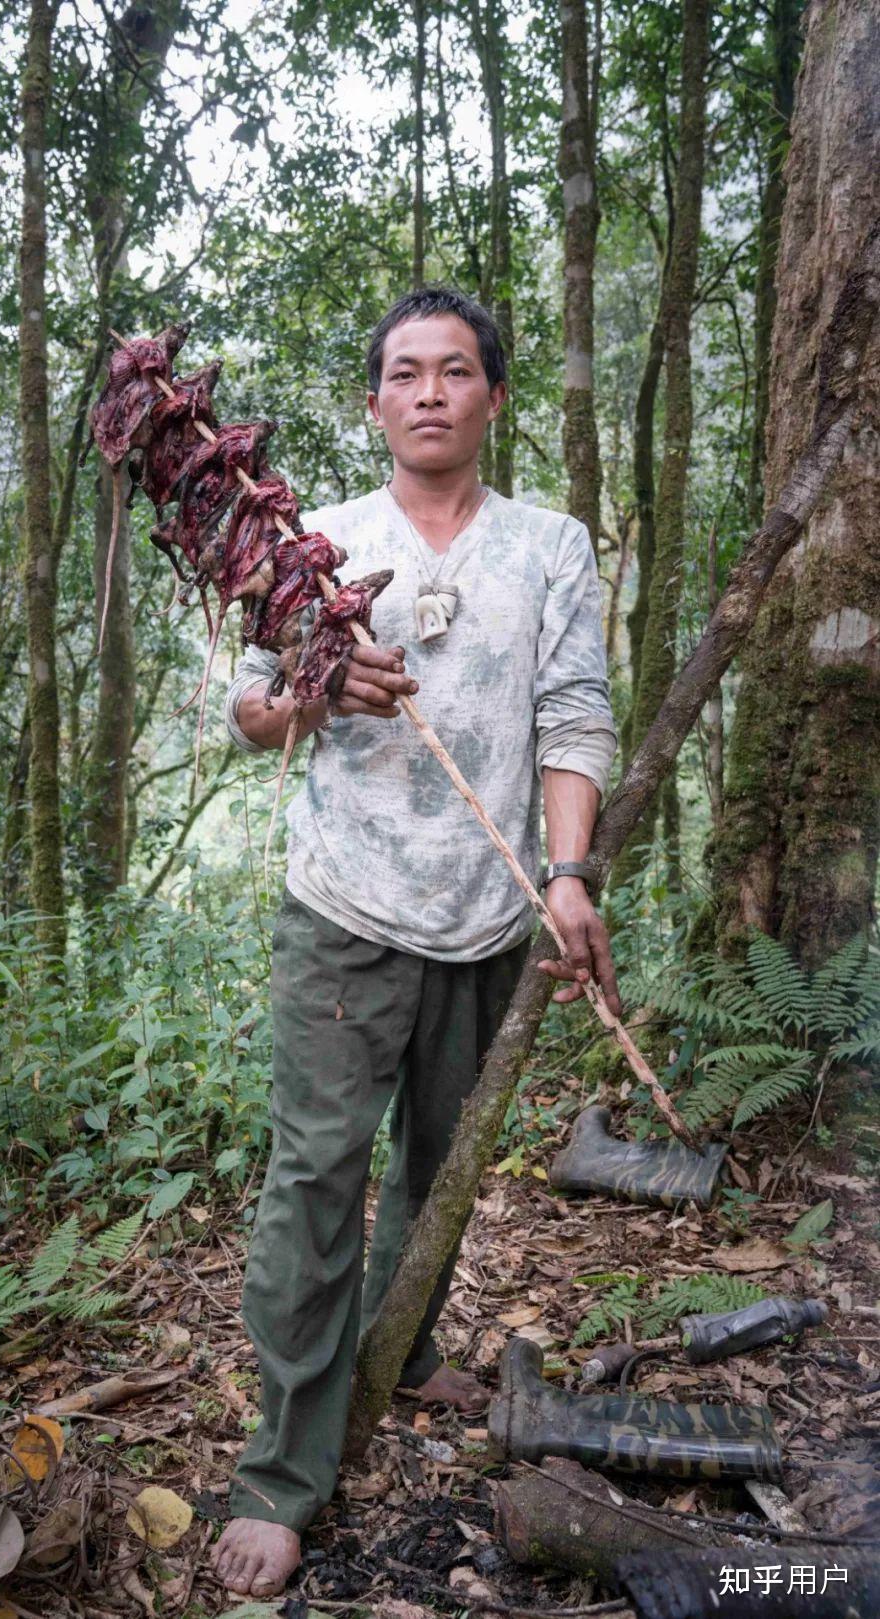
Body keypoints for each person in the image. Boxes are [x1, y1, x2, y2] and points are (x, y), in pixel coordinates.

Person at [211, 287, 620, 1598]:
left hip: (493, 922)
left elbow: (575, 721)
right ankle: (283, 1470)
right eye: (406, 372)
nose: (432, 391)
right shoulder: (317, 543)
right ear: (374, 401)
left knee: (442, 1171)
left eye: (457, 370)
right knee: (318, 1178)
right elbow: (249, 712)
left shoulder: (551, 548)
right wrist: (319, 685)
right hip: (346, 912)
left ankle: (404, 1347)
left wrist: (566, 877)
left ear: (495, 395)